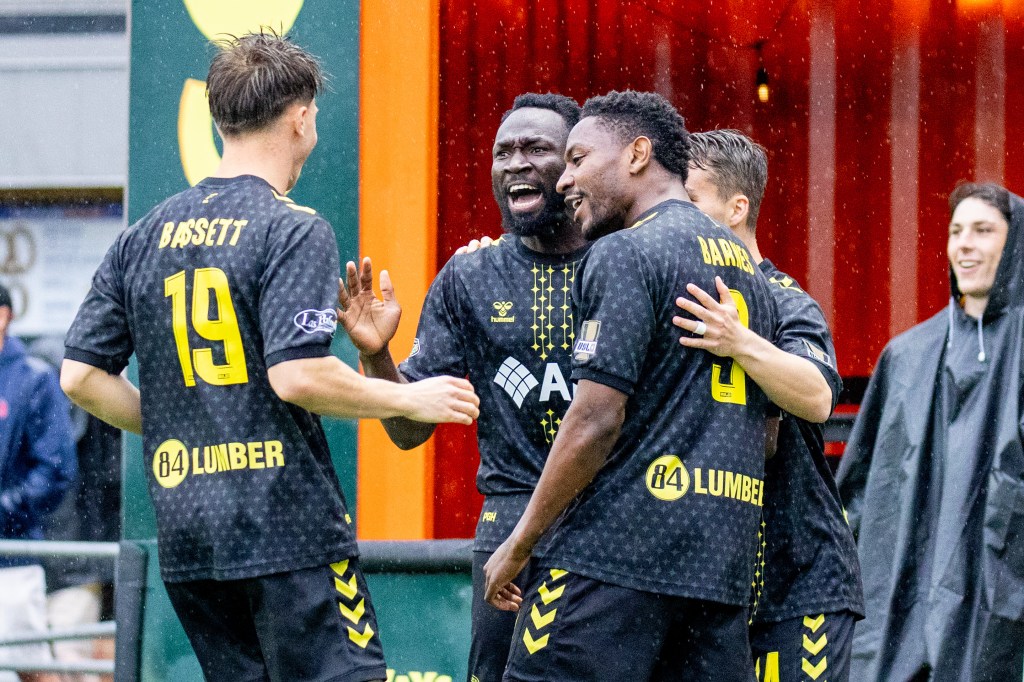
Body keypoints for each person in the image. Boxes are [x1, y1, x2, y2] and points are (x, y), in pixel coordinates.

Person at [59, 32, 479, 682]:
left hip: (191, 537)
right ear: (302, 117)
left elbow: (81, 376)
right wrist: (408, 396)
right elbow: (298, 375)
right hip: (287, 530)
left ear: (221, 118)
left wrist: (181, 420)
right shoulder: (292, 226)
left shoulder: (144, 234)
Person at [483, 91, 776, 680]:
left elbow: (594, 420)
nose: (565, 181)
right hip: (715, 573)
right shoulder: (752, 274)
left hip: (610, 563)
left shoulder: (624, 251)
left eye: (578, 159)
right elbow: (765, 437)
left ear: (638, 154)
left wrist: (519, 544)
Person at [339, 92, 586, 682]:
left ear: (575, 163)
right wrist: (376, 355)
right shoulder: (469, 277)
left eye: (536, 149)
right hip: (508, 526)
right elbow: (406, 432)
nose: (516, 163)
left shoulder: (627, 259)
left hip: (616, 522)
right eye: (504, 152)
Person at [677, 130, 863, 680]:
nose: (675, 218)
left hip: (798, 583)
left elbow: (817, 396)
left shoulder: (784, 299)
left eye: (690, 202)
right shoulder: (671, 297)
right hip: (710, 590)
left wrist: (740, 342)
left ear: (737, 209)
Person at [836, 182, 1024, 680]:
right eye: (957, 231)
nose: (965, 244)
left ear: (1015, 243)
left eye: (983, 231)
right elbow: (860, 492)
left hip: (999, 597)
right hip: (906, 601)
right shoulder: (908, 357)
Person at [0, 285, 76, 682]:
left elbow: (56, 470)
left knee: (33, 668)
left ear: (4, 317)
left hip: (12, 561)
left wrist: (5, 509)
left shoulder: (32, 379)